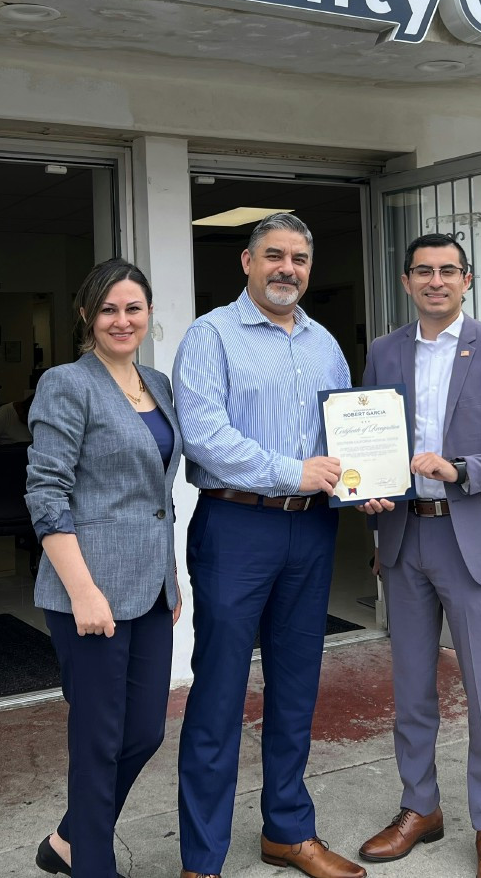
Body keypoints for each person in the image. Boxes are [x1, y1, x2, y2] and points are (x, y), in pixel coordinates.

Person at [173, 213, 363, 878]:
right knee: (219, 696)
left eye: (300, 258)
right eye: (275, 255)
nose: (289, 268)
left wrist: (366, 478)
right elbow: (204, 436)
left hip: (312, 529)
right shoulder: (211, 336)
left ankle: (288, 828)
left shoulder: (325, 345)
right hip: (237, 528)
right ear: (247, 262)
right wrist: (293, 471)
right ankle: (202, 859)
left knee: (295, 688)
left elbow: (344, 431)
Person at [354, 235, 481, 878]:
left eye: (448, 271)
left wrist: (463, 469)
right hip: (404, 538)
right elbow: (366, 437)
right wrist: (364, 489)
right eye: (422, 271)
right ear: (406, 281)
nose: (435, 281)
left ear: (467, 280)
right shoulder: (384, 351)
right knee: (410, 688)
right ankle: (421, 808)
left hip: (472, 539)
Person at [24, 259, 183, 878]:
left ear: (148, 315)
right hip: (87, 591)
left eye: (134, 308)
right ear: (87, 315)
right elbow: (46, 490)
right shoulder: (68, 384)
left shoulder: (159, 385)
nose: (123, 320)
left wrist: (170, 574)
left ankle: (67, 839)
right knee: (97, 741)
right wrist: (84, 589)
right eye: (109, 309)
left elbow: (156, 496)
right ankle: (93, 864)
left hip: (149, 590)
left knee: (143, 733)